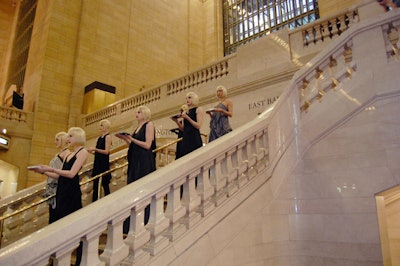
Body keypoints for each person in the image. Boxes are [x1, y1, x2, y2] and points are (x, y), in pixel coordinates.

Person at [30, 127, 88, 266]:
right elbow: (57, 175)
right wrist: (43, 171)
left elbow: (72, 173)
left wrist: (50, 168)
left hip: (71, 193)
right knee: (60, 225)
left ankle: (78, 260)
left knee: (74, 226)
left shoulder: (83, 152)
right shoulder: (68, 155)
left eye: (70, 136)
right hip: (61, 192)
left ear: (78, 137)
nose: (68, 139)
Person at [116, 105, 156, 230]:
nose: (136, 114)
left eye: (139, 112)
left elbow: (148, 145)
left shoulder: (149, 125)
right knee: (132, 189)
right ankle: (132, 223)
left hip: (144, 161)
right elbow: (133, 146)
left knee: (142, 189)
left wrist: (131, 138)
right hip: (135, 161)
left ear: (145, 113)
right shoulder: (137, 127)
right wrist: (126, 139)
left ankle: (145, 219)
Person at [44, 131, 70, 224]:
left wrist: (44, 171)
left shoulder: (66, 153)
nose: (55, 142)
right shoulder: (60, 153)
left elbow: (60, 173)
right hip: (52, 188)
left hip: (57, 188)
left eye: (57, 140)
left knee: (56, 217)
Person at [171, 92, 204, 158]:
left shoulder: (198, 109)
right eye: (186, 98)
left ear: (194, 98)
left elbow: (198, 126)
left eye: (189, 97)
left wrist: (187, 118)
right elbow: (183, 129)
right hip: (186, 138)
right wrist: (176, 121)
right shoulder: (185, 112)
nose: (187, 100)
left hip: (194, 138)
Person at [87, 119, 112, 202]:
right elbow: (99, 152)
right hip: (97, 163)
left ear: (106, 127)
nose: (100, 127)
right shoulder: (99, 138)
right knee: (96, 184)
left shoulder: (108, 137)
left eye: (101, 125)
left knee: (105, 184)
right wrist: (92, 152)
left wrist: (95, 149)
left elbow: (106, 151)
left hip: (103, 164)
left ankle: (108, 201)